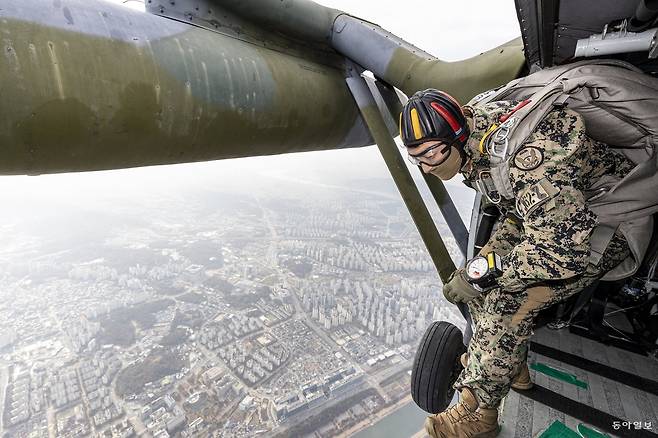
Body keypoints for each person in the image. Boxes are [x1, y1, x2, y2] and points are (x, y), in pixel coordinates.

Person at [399, 89, 633, 437]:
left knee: (504, 300)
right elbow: (515, 212)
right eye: (417, 157)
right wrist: (477, 272)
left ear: (458, 137)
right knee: (478, 280)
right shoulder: (477, 140)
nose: (427, 166)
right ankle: (507, 363)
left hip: (610, 217)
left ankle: (477, 414)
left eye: (432, 153)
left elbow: (561, 254)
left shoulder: (529, 158)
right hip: (559, 217)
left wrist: (487, 277)